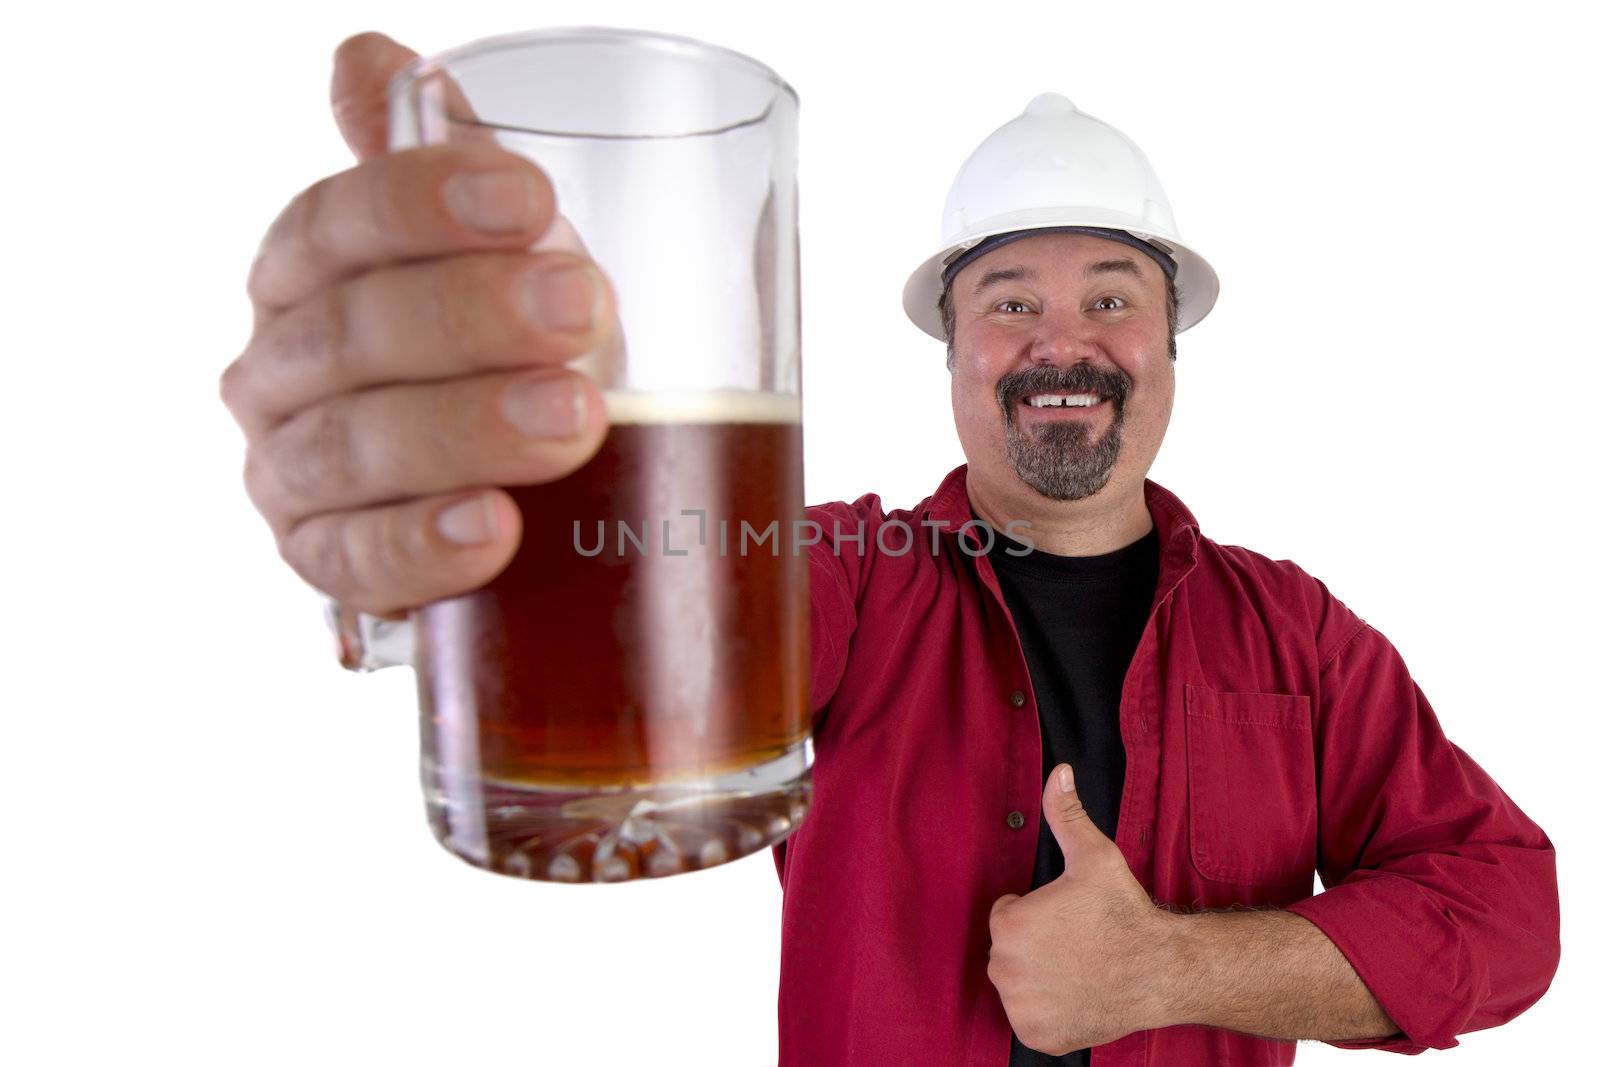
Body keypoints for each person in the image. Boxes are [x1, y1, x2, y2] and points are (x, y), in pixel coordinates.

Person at [219, 31, 1560, 1066]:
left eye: (1111, 297)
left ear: (1169, 342)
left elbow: (1509, 916)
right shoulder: (851, 578)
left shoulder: (1297, 636)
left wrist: (1172, 972)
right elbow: (660, 606)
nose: (1061, 340)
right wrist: (558, 437)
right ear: (954, 349)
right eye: (1008, 302)